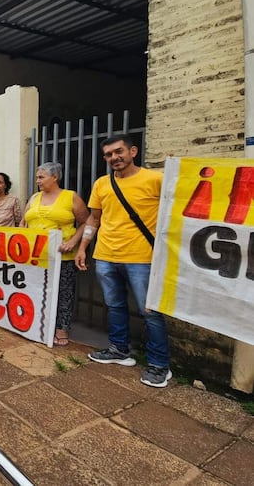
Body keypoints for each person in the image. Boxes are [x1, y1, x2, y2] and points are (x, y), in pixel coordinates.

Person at [75, 134, 170, 388]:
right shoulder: (102, 184)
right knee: (114, 306)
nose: (114, 158)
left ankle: (160, 365)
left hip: (141, 258)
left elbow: (175, 211)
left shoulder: (156, 179)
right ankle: (119, 350)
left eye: (119, 152)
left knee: (149, 312)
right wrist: (83, 247)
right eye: (108, 155)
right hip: (105, 255)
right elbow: (94, 219)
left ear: (133, 151)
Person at [22, 162, 88, 347]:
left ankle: (61, 329)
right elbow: (23, 223)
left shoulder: (70, 197)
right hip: (35, 257)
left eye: (41, 177)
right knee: (35, 290)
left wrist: (73, 242)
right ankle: (37, 324)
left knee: (63, 292)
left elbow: (85, 222)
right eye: (37, 177)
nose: (38, 181)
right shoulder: (34, 197)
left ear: (55, 177)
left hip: (62, 257)